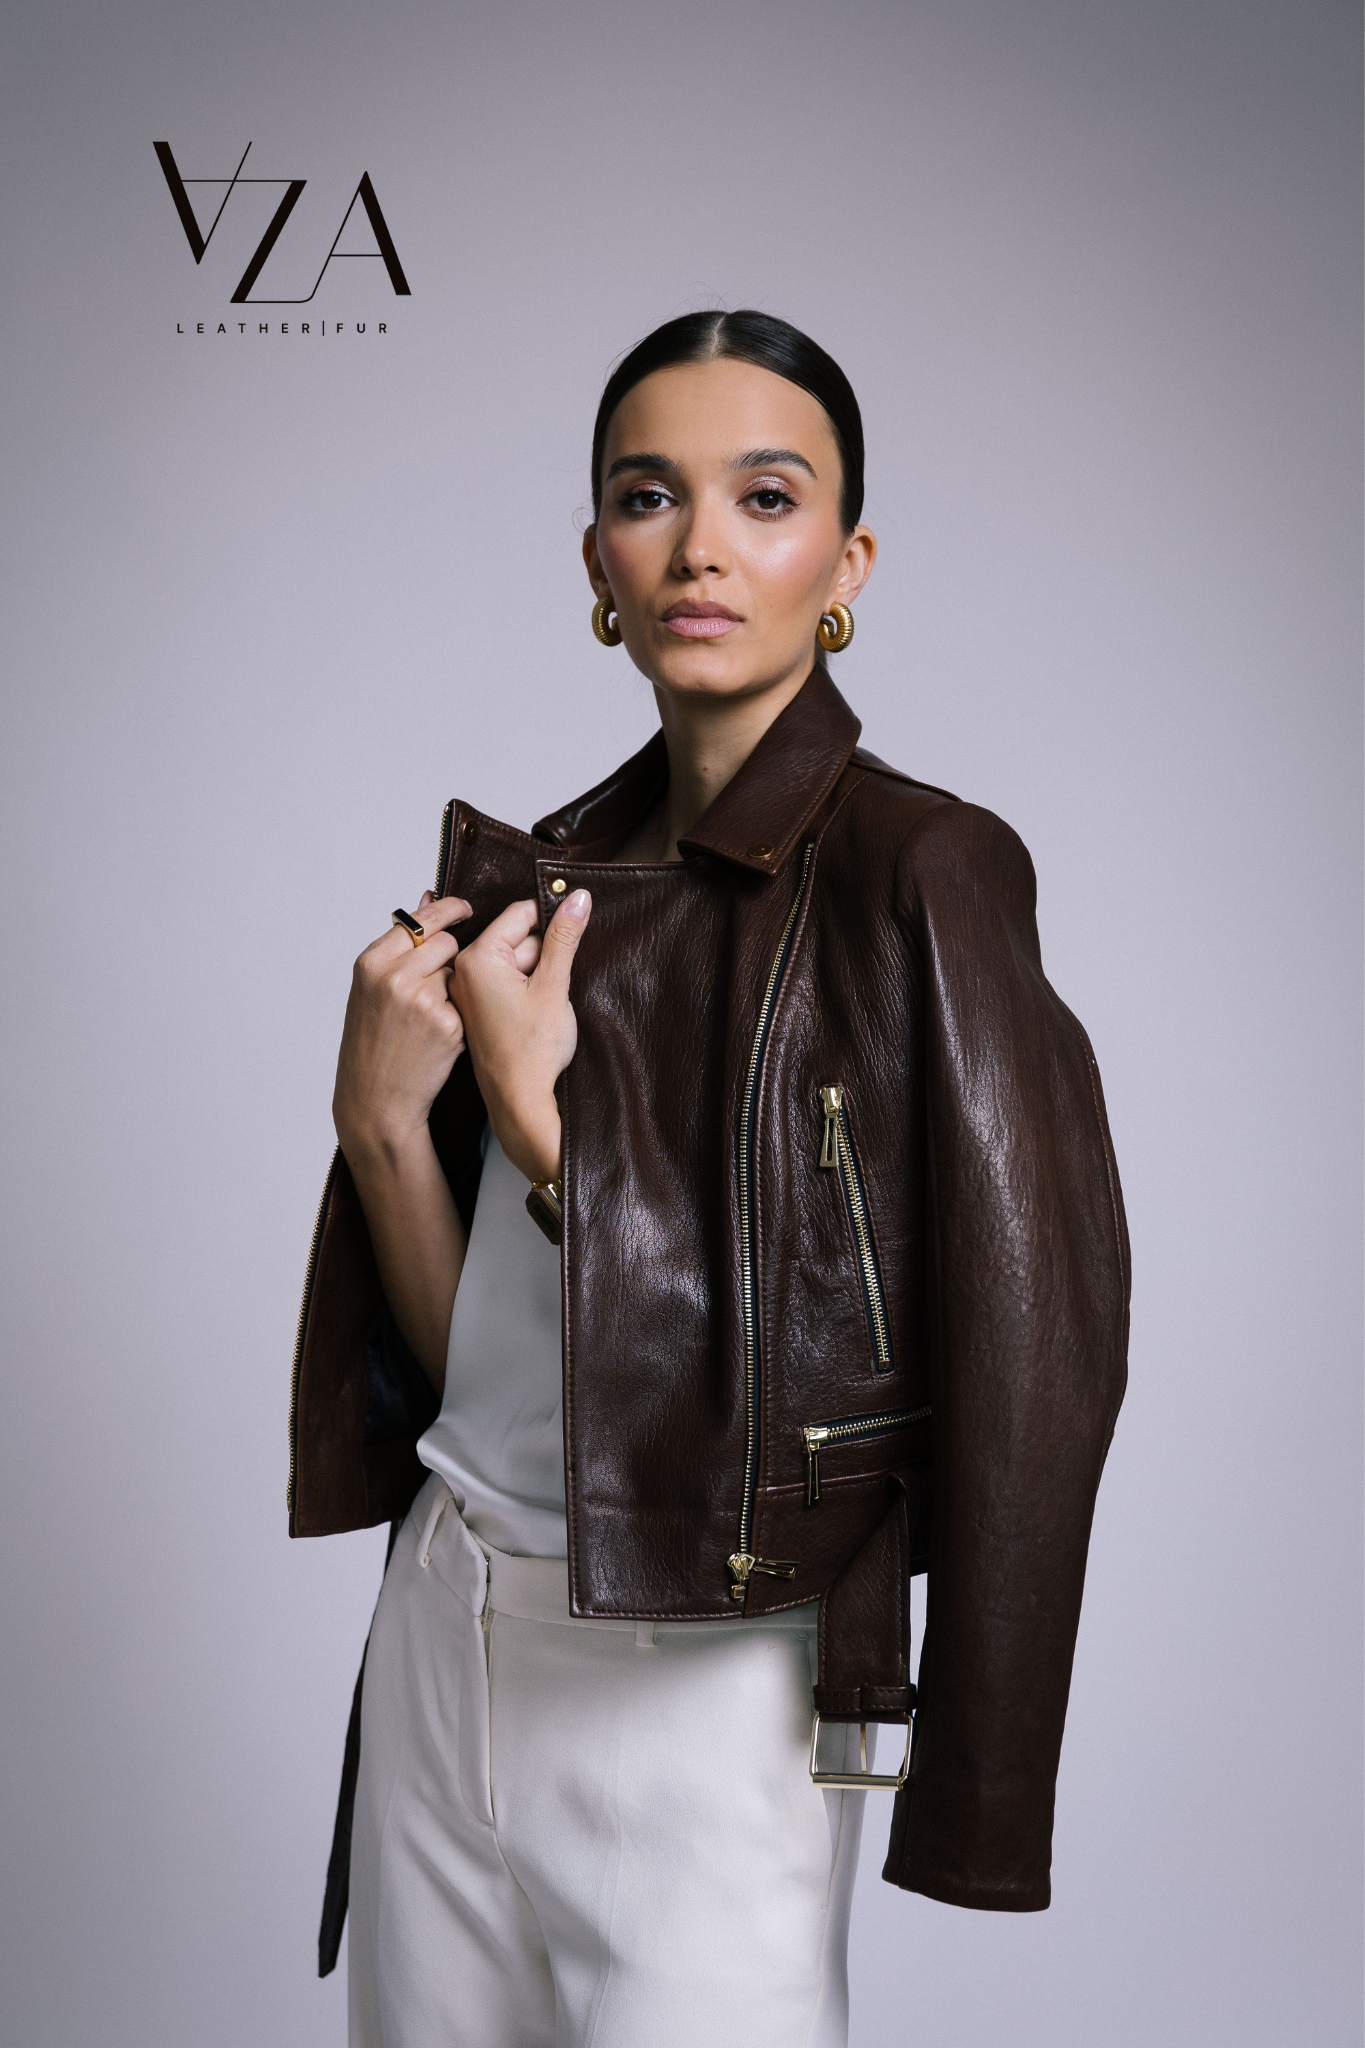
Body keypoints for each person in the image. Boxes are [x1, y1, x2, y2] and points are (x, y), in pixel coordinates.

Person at [288, 309, 1130, 2048]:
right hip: (450, 1623)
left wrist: (547, 1131)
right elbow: (502, 1372)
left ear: (847, 562)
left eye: (765, 496)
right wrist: (382, 1130)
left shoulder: (926, 874)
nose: (698, 548)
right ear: (597, 562)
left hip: (711, 1681)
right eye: (646, 496)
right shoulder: (535, 888)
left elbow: (1043, 1341)